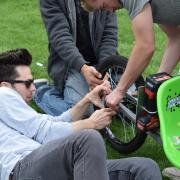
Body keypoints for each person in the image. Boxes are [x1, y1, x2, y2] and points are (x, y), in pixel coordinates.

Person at [0, 48, 162, 180]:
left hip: (52, 165)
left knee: (145, 167)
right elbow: (46, 133)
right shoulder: (3, 95)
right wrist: (90, 124)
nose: (34, 88)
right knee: (88, 139)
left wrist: (86, 100)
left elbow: (55, 123)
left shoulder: (16, 111)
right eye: (28, 83)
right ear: (6, 85)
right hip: (21, 170)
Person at [35, 0, 119, 116]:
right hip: (71, 65)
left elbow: (109, 35)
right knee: (84, 114)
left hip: (102, 62)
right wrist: (83, 68)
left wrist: (104, 69)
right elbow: (60, 36)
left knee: (128, 102)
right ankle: (41, 92)